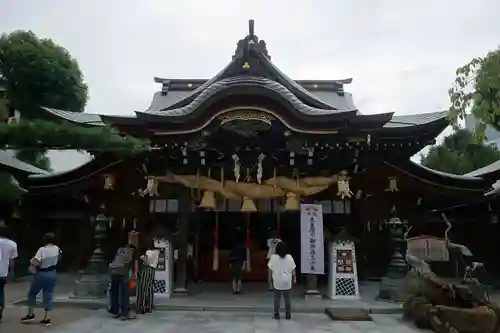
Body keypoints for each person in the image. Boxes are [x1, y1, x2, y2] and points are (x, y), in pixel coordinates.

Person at [20, 232, 60, 326]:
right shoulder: (57, 249)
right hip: (53, 272)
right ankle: (47, 318)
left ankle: (31, 314)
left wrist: (31, 263)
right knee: (48, 295)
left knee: (32, 293)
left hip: (42, 272)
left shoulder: (42, 249)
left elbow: (36, 261)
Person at [109, 242, 138, 320]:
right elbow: (129, 263)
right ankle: (125, 313)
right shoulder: (131, 250)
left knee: (114, 292)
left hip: (113, 271)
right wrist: (134, 274)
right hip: (122, 271)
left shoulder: (119, 249)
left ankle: (115, 311)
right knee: (125, 292)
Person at [267, 241, 296, 320]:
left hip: (277, 281)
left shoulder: (273, 257)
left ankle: (276, 314)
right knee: (287, 298)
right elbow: (293, 269)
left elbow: (270, 269)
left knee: (277, 298)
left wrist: (269, 279)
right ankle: (288, 314)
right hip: (287, 281)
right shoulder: (289, 257)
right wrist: (294, 278)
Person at [0, 225, 18, 322]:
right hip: (3, 272)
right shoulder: (13, 244)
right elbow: (12, 261)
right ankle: (1, 307)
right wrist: (11, 273)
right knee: (1, 291)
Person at [136, 242, 158, 314]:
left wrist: (142, 258)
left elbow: (147, 263)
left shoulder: (148, 252)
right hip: (152, 271)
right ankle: (149, 307)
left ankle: (142, 307)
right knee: (150, 288)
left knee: (143, 288)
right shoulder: (156, 252)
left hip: (146, 270)